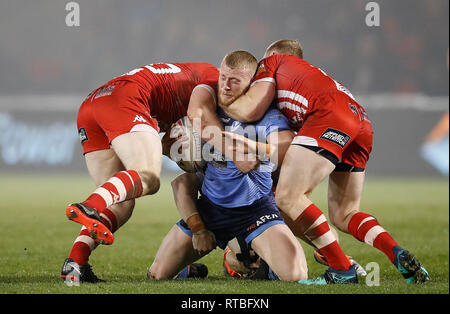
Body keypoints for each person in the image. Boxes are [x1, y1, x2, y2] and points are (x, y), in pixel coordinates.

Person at [220, 39, 429, 284]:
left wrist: (215, 108)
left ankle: (342, 269)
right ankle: (395, 252)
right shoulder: (307, 80)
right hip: (360, 121)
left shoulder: (273, 61)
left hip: (330, 116)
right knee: (344, 213)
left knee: (287, 197)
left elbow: (251, 109)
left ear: (275, 55)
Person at [61, 61, 258, 283]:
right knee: (149, 177)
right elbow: (201, 124)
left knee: (120, 202)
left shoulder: (196, 83)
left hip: (94, 103)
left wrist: (181, 151)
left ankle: (75, 264)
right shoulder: (213, 83)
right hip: (126, 99)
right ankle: (91, 205)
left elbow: (166, 143)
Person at [147, 50, 308, 282]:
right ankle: (194, 268)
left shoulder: (266, 115)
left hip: (256, 210)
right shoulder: (206, 101)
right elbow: (180, 178)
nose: (225, 85)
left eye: (235, 80)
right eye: (223, 77)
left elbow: (287, 148)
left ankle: (258, 259)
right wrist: (199, 228)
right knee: (157, 275)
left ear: (252, 83)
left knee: (295, 276)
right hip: (211, 210)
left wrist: (257, 150)